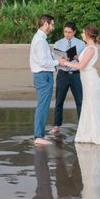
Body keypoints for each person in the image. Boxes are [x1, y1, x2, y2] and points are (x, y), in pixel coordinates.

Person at [29, 14, 63, 146]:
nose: (53, 26)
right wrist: (58, 62)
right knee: (42, 107)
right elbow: (43, 62)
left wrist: (57, 61)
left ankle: (40, 135)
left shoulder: (40, 38)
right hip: (43, 75)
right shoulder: (40, 40)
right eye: (52, 24)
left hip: (42, 75)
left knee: (43, 106)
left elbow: (44, 59)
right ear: (45, 24)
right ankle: (38, 136)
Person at [51, 21, 85, 136]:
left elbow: (83, 60)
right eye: (65, 32)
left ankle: (82, 126)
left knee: (80, 101)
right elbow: (54, 60)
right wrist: (61, 59)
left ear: (74, 32)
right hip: (62, 75)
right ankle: (56, 126)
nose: (67, 34)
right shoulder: (58, 43)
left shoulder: (81, 44)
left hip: (76, 75)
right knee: (59, 101)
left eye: (69, 32)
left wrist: (75, 56)